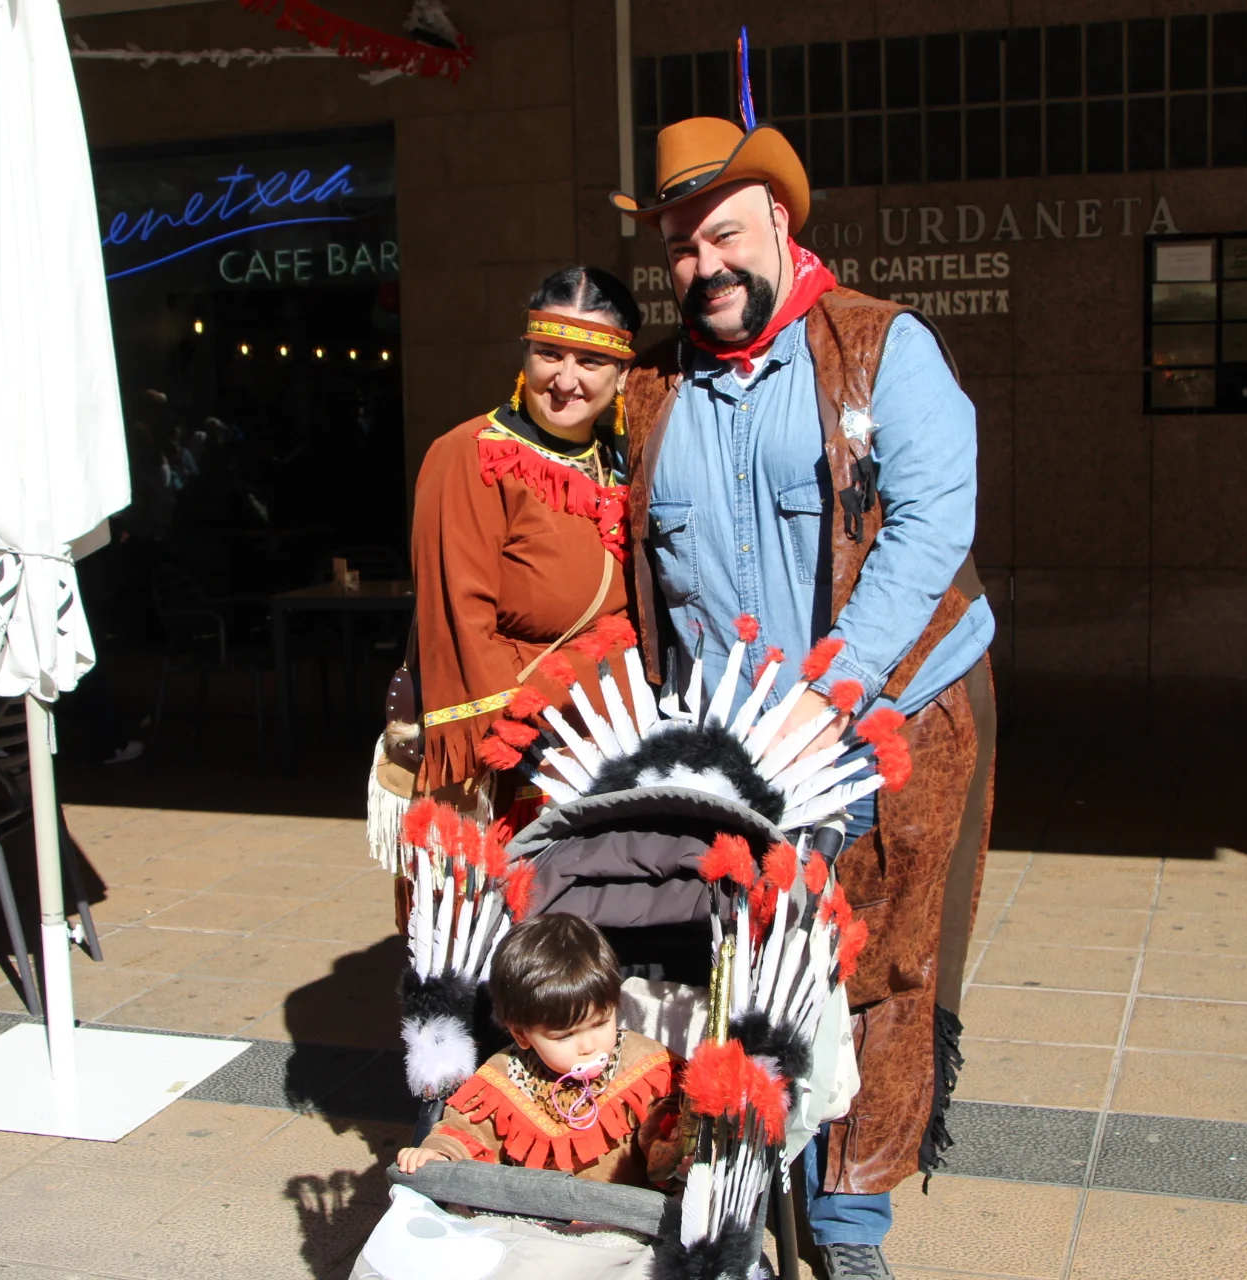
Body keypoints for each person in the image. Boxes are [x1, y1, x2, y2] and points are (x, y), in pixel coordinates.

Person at [613, 117, 997, 1278]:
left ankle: (848, 1226)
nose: (705, 266)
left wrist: (831, 691)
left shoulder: (884, 347)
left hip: (885, 724)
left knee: (878, 971)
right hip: (732, 749)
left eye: (725, 235)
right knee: (738, 973)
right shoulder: (650, 388)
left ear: (779, 220)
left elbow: (930, 527)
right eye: (682, 248)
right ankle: (740, 1189)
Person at [407, 266, 641, 828]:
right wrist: (510, 747)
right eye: (549, 354)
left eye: (590, 361)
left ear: (622, 374)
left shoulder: (622, 464)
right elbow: (459, 620)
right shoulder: (468, 454)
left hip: (611, 748)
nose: (565, 379)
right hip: (522, 761)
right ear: (526, 353)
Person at [395, 913, 682, 1187]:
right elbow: (468, 1129)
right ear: (522, 1034)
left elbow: (666, 1124)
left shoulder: (645, 1067)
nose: (588, 1046)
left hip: (622, 1211)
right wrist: (440, 1152)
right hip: (530, 1212)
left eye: (601, 1023)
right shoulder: (505, 1077)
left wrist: (674, 1147)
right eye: (564, 1036)